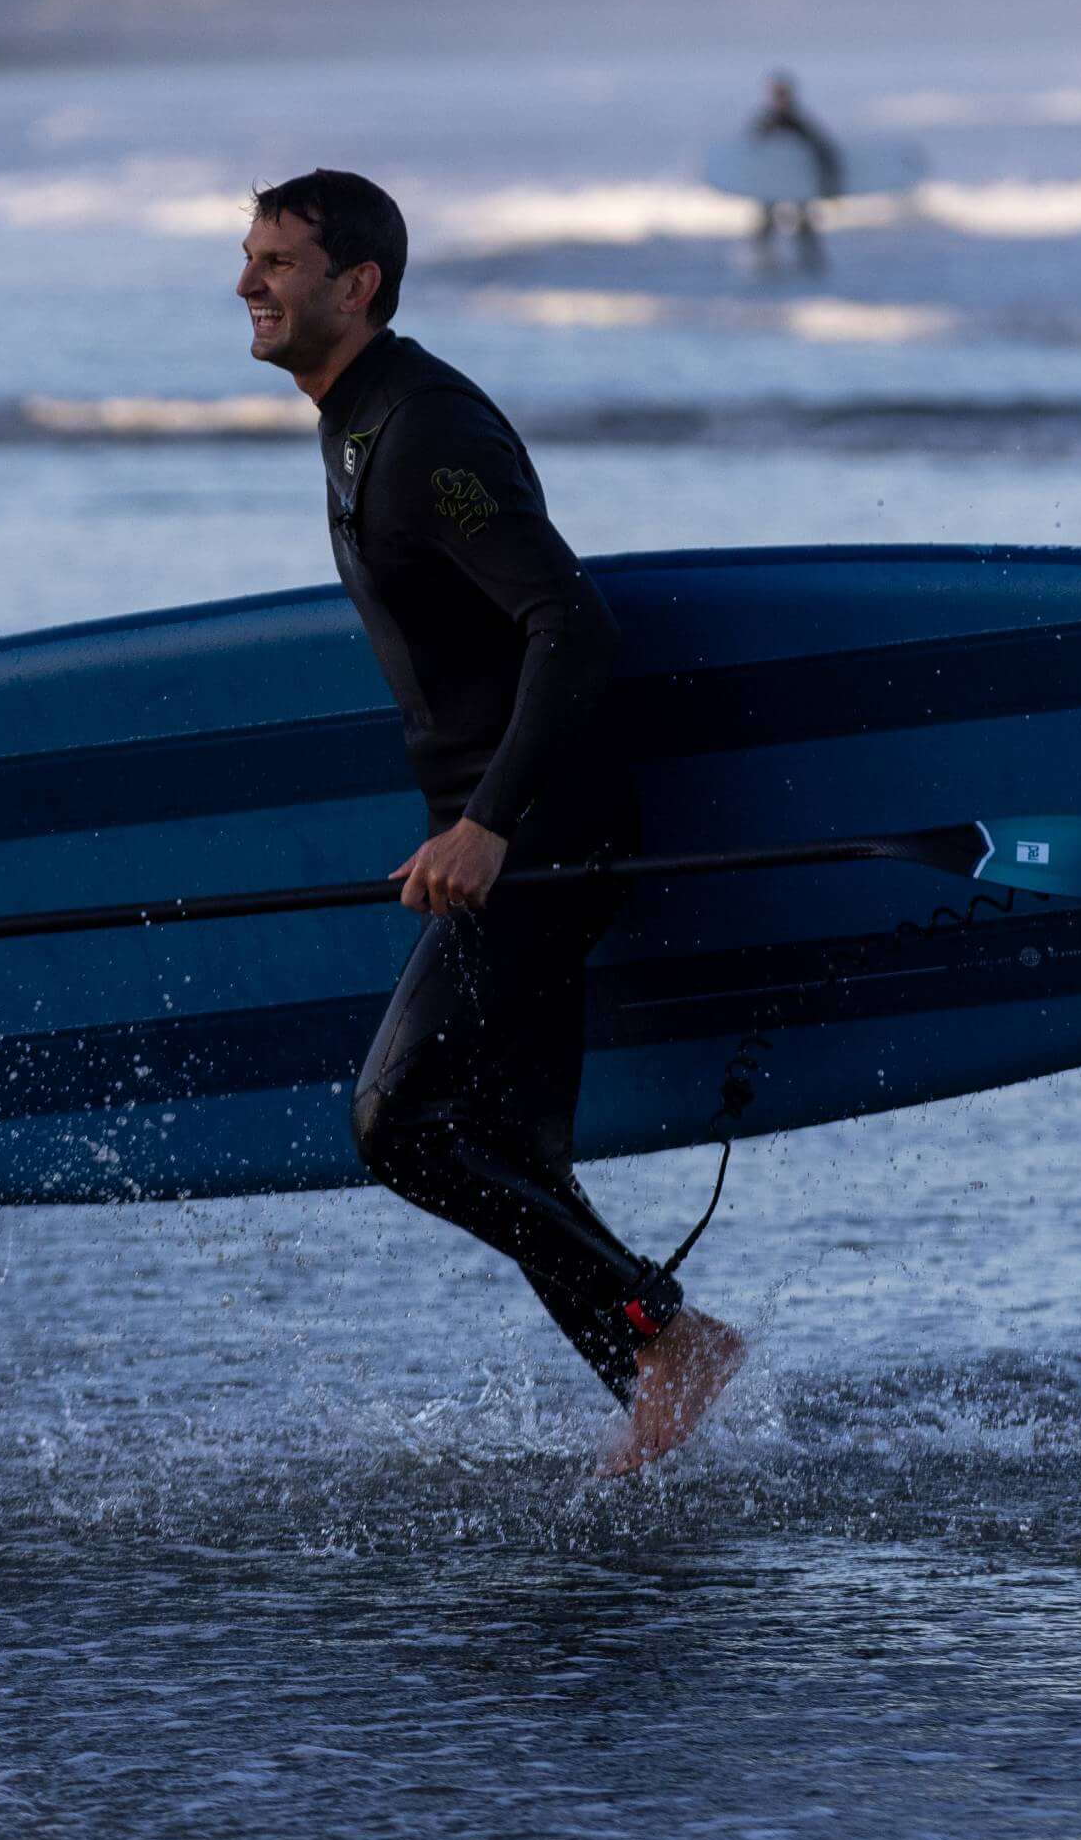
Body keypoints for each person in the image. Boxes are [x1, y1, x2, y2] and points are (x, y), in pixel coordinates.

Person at [234, 169, 747, 1470]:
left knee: (398, 1126)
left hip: (548, 840)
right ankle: (660, 1402)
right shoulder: (354, 417)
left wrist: (489, 824)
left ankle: (668, 1338)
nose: (249, 282)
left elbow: (567, 621)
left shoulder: (425, 434)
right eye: (251, 256)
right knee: (512, 1147)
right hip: (527, 835)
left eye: (279, 262)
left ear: (359, 284)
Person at [744, 69, 846, 273]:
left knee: (804, 225)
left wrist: (829, 181)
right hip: (772, 183)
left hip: (798, 184)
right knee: (767, 224)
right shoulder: (767, 124)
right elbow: (750, 155)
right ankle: (764, 263)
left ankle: (811, 264)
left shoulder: (798, 124)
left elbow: (823, 152)